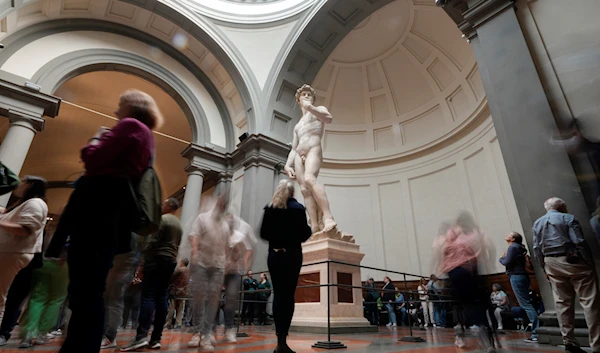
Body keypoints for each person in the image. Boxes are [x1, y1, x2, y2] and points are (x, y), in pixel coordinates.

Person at [48, 89, 160, 353]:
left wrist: (97, 138)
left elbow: (93, 158)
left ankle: (79, 347)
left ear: (132, 106)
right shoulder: (148, 137)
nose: (115, 111)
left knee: (85, 290)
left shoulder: (131, 125)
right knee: (92, 288)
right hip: (113, 215)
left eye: (120, 105)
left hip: (98, 209)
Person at [533, 197, 600, 353]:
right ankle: (597, 345)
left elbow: (537, 249)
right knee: (590, 302)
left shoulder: (537, 223)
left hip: (551, 262)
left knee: (562, 303)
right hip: (573, 260)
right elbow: (579, 241)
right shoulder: (568, 218)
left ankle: (569, 342)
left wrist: (544, 268)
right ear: (562, 206)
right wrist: (589, 262)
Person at [121, 198, 182, 351]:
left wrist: (141, 263)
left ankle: (141, 336)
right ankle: (156, 338)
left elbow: (151, 242)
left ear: (168, 206)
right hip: (170, 261)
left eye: (163, 204)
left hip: (155, 259)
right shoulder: (179, 225)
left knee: (148, 296)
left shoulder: (162, 220)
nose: (161, 206)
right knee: (162, 298)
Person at [260, 180, 312, 353]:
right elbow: (305, 234)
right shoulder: (298, 209)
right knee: (288, 296)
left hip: (274, 255)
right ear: (292, 193)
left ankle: (279, 341)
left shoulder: (270, 208)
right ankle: (283, 340)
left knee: (278, 295)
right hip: (292, 256)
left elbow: (263, 233)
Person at [283, 84, 336, 233]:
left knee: (310, 179)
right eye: (303, 95)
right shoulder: (297, 125)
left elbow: (328, 119)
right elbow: (294, 148)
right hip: (300, 155)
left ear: (312, 99)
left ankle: (328, 217)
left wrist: (311, 108)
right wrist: (288, 165)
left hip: (314, 149)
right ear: (299, 100)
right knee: (305, 190)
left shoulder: (319, 111)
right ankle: (314, 226)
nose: (306, 96)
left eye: (309, 95)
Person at [0, 176, 48, 322]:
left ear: (30, 185)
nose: (18, 184)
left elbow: (25, 229)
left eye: (22, 182)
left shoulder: (35, 203)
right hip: (10, 252)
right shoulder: (28, 203)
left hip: (13, 253)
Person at [187, 194, 230, 351]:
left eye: (224, 204)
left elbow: (226, 246)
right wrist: (195, 251)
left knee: (213, 299)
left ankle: (206, 334)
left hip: (218, 266)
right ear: (217, 202)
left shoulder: (225, 225)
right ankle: (196, 332)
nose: (222, 206)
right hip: (202, 264)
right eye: (220, 203)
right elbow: (194, 236)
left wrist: (226, 263)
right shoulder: (202, 218)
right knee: (199, 297)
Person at [18, 223, 69, 348]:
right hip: (62, 266)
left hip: (43, 263)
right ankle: (42, 334)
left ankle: (28, 334)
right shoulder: (75, 231)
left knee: (37, 298)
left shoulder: (52, 229)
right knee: (56, 300)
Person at [100, 232, 143, 349]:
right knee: (109, 301)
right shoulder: (137, 231)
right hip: (120, 267)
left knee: (113, 301)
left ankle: (110, 336)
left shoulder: (129, 230)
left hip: (121, 268)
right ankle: (107, 334)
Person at [499, 231, 538, 341]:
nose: (507, 235)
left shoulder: (513, 248)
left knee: (526, 304)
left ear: (513, 239)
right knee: (527, 304)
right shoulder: (518, 247)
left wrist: (501, 258)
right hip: (521, 276)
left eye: (510, 234)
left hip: (516, 276)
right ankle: (536, 330)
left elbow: (507, 262)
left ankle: (536, 332)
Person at [222, 215, 256, 342]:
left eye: (231, 221)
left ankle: (229, 329)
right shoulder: (220, 234)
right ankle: (209, 329)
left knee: (230, 299)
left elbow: (248, 250)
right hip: (219, 270)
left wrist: (244, 265)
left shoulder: (238, 236)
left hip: (233, 271)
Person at [165, 259, 190, 330]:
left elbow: (171, 278)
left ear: (182, 263)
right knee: (180, 308)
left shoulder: (180, 270)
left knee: (171, 308)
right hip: (183, 292)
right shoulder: (188, 271)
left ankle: (168, 323)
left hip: (176, 291)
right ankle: (178, 323)